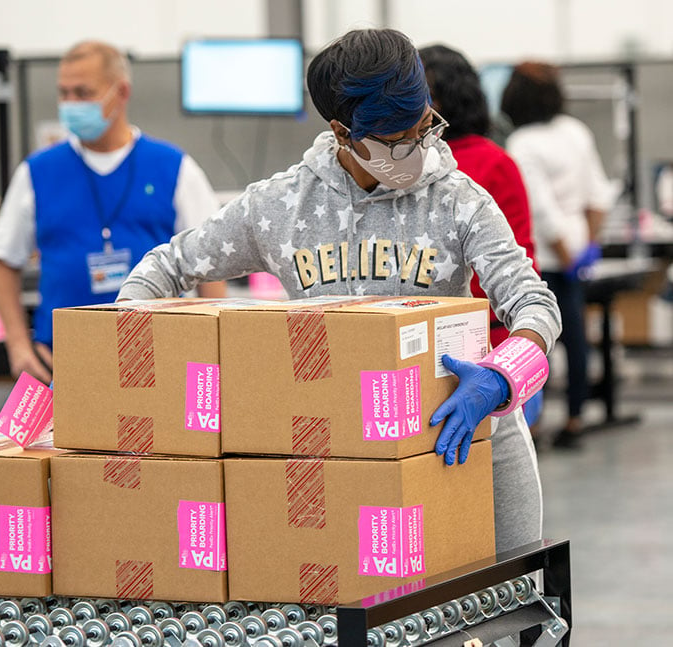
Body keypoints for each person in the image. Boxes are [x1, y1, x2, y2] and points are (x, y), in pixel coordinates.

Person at [118, 28, 562, 554]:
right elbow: (167, 266)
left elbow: (535, 304)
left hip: (462, 443)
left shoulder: (460, 203)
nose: (418, 150)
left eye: (424, 128)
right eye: (395, 142)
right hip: (338, 463)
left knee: (503, 615)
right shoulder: (280, 208)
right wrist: (121, 346)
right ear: (343, 131)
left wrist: (501, 378)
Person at [0, 41, 225, 385]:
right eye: (63, 93)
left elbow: (210, 264)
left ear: (121, 92)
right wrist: (18, 346)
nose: (70, 104)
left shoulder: (173, 167)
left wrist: (209, 354)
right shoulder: (37, 172)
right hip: (60, 361)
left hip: (160, 356)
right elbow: (2, 260)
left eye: (83, 93)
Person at [418, 44, 544, 429]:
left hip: (486, 348)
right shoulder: (409, 166)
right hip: (429, 347)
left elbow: (519, 271)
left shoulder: (485, 165)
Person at [501, 62, 613, 449]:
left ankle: (531, 425)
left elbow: (542, 211)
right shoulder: (576, 132)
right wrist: (587, 248)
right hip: (579, 253)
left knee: (536, 338)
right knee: (577, 339)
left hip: (546, 259)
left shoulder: (522, 143)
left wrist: (565, 254)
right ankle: (576, 419)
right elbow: (598, 195)